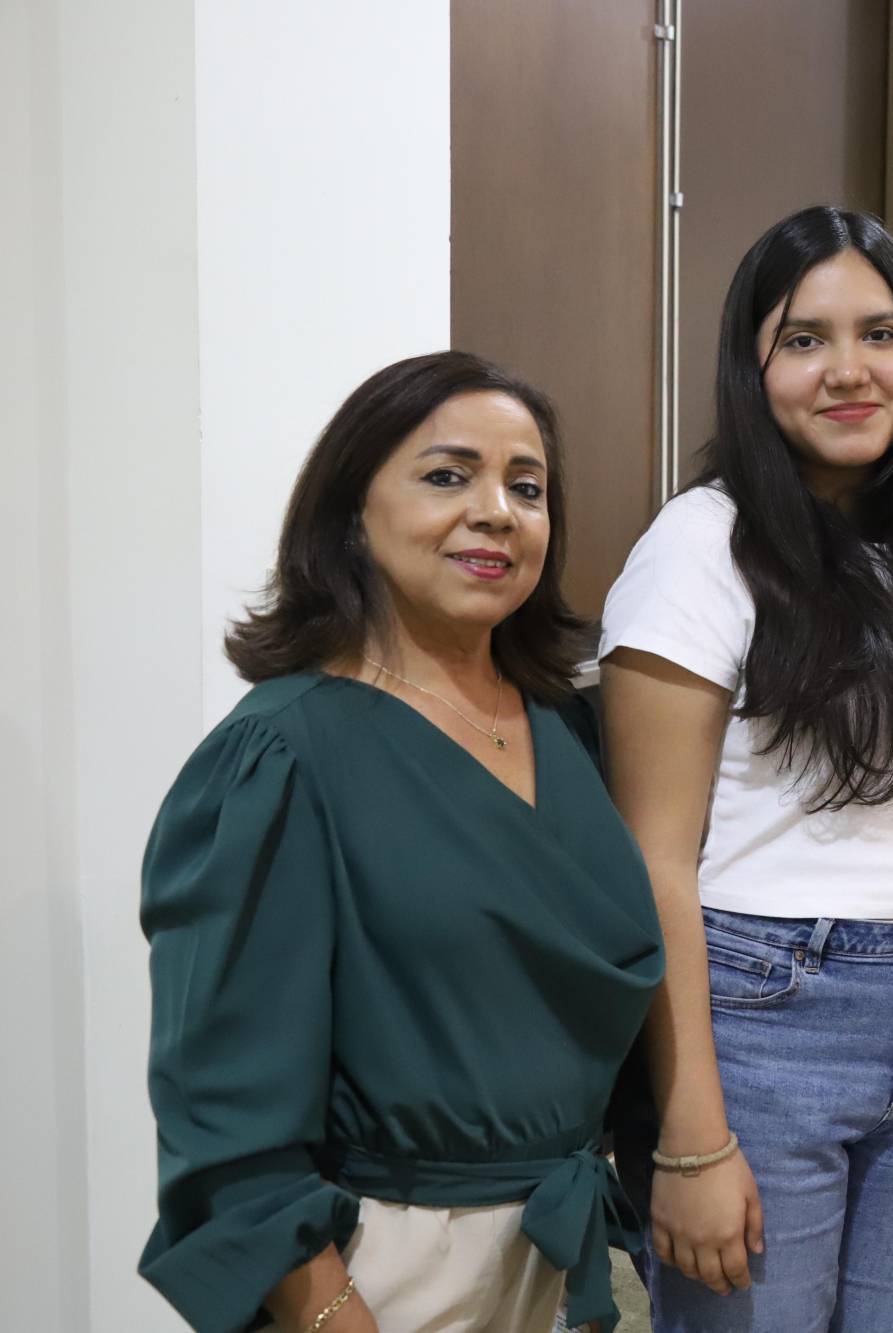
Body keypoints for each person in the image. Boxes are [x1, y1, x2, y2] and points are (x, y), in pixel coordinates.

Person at [139, 351, 664, 1333]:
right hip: (384, 1265)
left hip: (555, 1254)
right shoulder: (283, 752)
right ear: (350, 514)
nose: (497, 511)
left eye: (527, 485)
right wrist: (330, 1306)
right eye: (445, 475)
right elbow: (225, 1102)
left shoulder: (566, 726)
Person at [598, 205, 893, 1333]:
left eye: (879, 335)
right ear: (751, 365)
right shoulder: (700, 544)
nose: (849, 370)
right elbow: (650, 858)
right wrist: (690, 1133)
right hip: (766, 1011)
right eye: (803, 340)